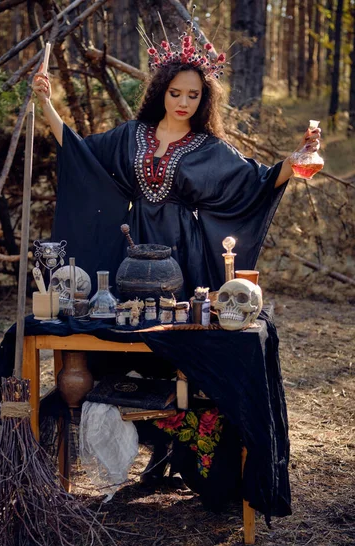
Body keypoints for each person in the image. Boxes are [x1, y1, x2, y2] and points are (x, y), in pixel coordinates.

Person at [32, 37, 321, 491]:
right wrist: (45, 105)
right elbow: (80, 153)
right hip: (129, 252)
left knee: (175, 349)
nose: (184, 102)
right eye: (176, 92)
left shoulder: (207, 148)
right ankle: (144, 441)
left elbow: (257, 181)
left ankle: (180, 449)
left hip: (182, 256)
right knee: (128, 343)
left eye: (194, 95)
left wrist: (297, 157)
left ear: (203, 99)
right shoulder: (130, 135)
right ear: (161, 91)